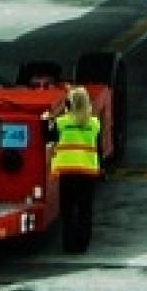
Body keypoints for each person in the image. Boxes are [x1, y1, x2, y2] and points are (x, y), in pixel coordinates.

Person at [50, 86, 101, 253]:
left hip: (68, 172)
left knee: (68, 210)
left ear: (69, 104)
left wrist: (48, 118)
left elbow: (48, 133)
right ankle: (82, 244)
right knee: (85, 210)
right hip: (88, 173)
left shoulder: (63, 122)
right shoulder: (94, 123)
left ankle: (68, 244)